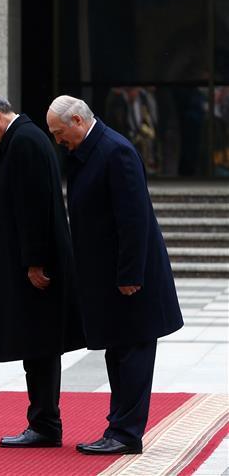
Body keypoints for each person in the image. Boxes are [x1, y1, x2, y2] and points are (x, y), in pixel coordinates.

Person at [47, 95, 183, 455]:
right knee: (118, 352)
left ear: (77, 121)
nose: (58, 141)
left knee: (133, 354)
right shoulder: (87, 152)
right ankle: (118, 428)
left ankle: (125, 434)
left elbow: (134, 220)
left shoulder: (115, 151)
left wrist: (129, 275)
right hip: (109, 279)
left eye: (60, 133)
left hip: (130, 280)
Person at [0, 90, 83, 449]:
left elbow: (35, 208)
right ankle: (43, 421)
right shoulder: (22, 139)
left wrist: (35, 262)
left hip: (37, 268)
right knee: (36, 345)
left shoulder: (26, 141)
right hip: (30, 264)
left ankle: (46, 424)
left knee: (40, 345)